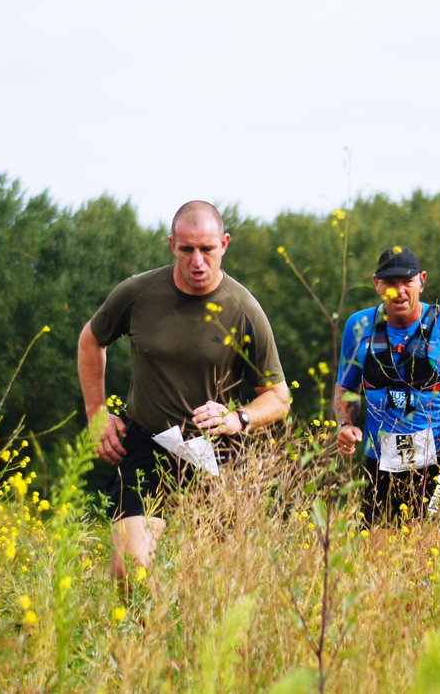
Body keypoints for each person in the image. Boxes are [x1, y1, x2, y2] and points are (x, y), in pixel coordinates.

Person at [78, 200, 290, 580]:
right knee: (130, 570)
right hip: (146, 444)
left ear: (224, 244)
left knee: (208, 584)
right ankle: (138, 621)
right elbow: (91, 340)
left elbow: (278, 397)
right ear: (171, 244)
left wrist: (238, 418)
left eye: (207, 249)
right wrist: (97, 414)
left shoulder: (243, 309)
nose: (197, 261)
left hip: (216, 453)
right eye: (187, 249)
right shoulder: (138, 293)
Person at [334, 246, 440, 529]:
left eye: (406, 282)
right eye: (390, 282)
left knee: (427, 546)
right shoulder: (359, 326)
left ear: (422, 280)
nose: (399, 291)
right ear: (376, 283)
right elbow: (345, 388)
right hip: (379, 459)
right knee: (376, 549)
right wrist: (346, 424)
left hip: (438, 457)